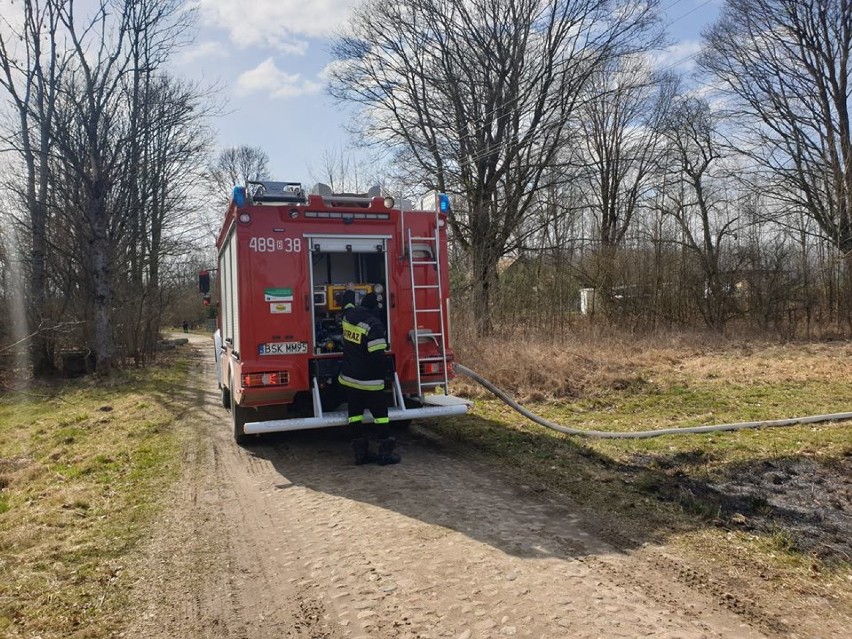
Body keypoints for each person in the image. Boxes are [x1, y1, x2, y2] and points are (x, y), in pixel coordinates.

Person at [338, 289, 400, 465]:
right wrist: (387, 374)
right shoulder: (374, 325)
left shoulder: (348, 316)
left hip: (349, 378)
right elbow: (376, 356)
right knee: (381, 416)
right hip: (370, 382)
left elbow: (347, 304)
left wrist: (349, 291)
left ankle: (360, 454)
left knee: (355, 415)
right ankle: (385, 454)